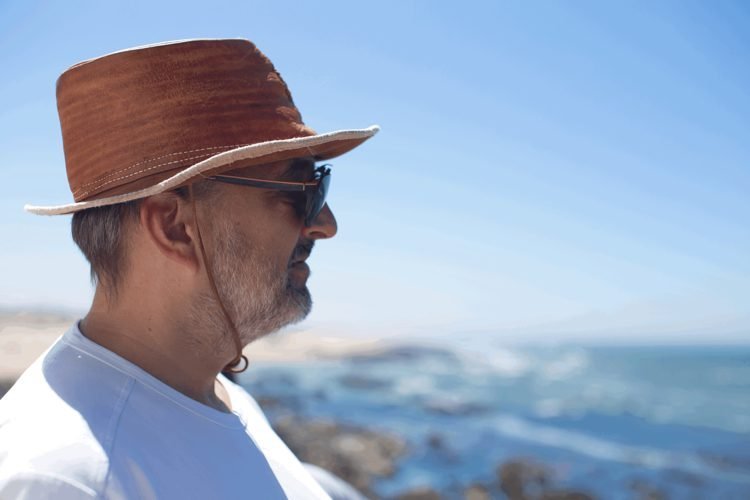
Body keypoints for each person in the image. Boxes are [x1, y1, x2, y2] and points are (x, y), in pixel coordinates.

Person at [0, 38, 378, 499]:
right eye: (298, 191)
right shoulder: (70, 480)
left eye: (320, 184)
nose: (326, 224)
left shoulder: (218, 394)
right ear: (175, 227)